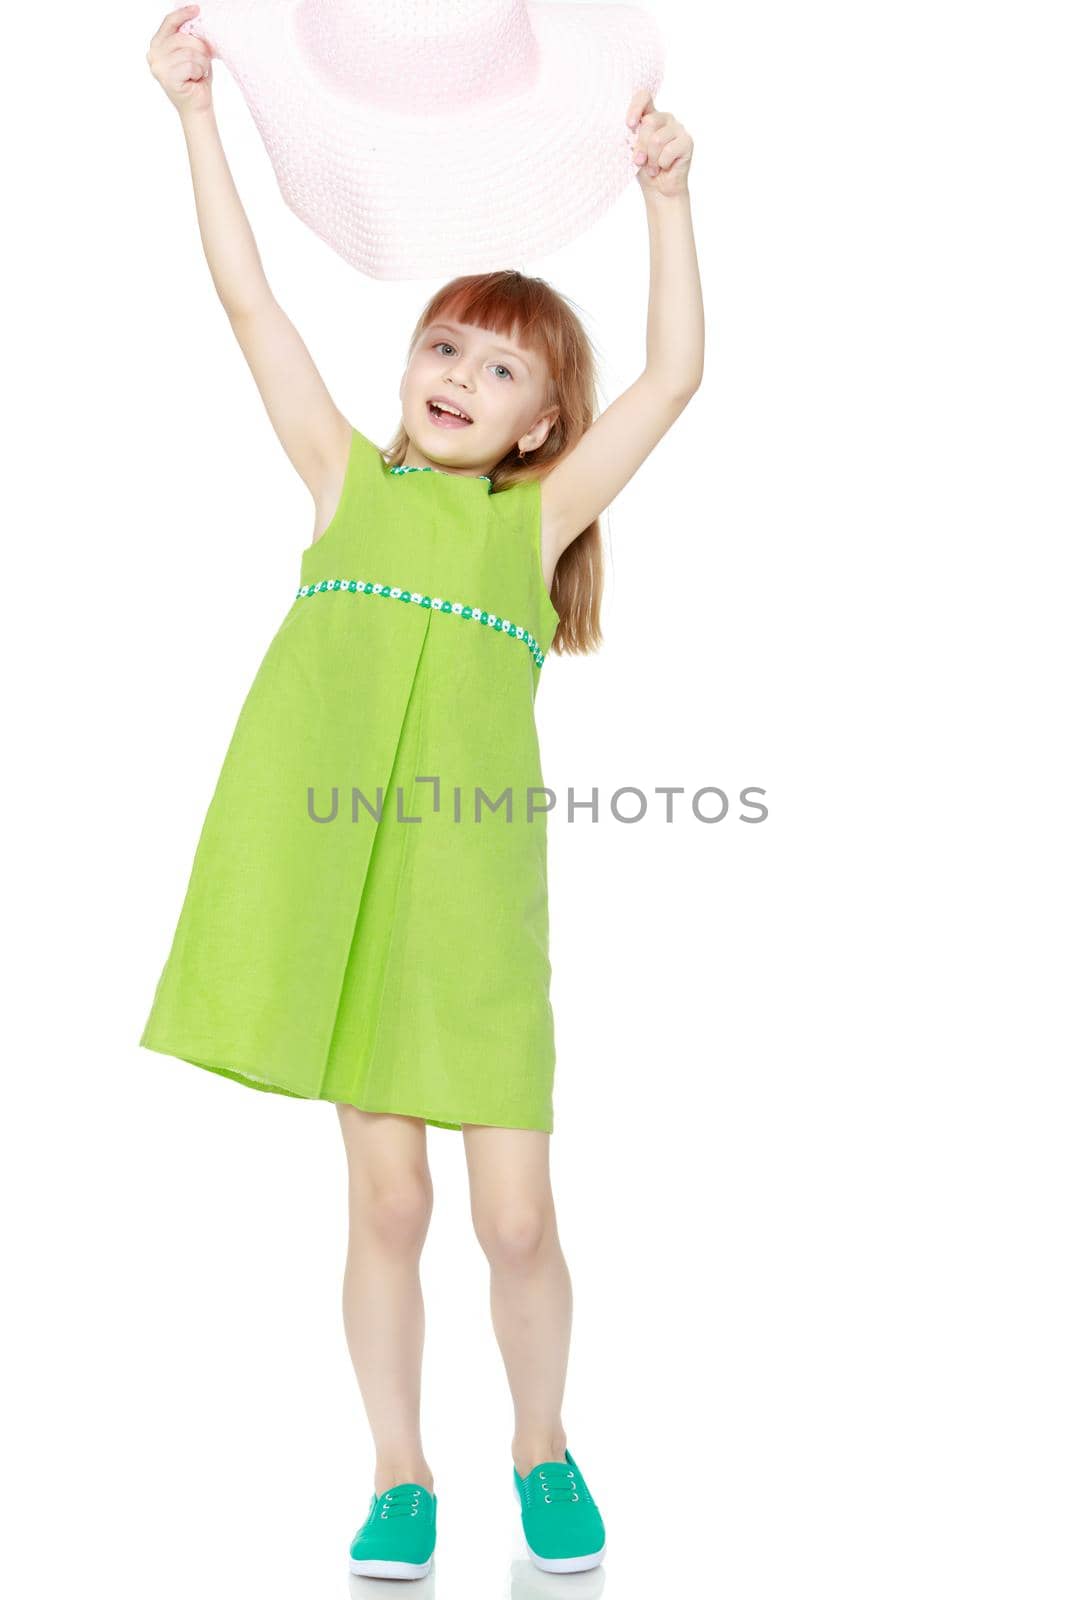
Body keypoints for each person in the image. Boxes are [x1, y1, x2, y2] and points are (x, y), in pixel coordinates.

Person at [141, 4, 703, 1580]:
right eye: (443, 343)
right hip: (345, 901)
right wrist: (196, 114)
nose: (458, 372)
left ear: (541, 423)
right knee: (384, 1207)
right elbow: (247, 299)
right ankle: (399, 1472)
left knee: (514, 1219)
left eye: (500, 362)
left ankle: (545, 1444)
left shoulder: (527, 529)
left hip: (468, 917)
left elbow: (672, 378)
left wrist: (666, 198)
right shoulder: (343, 479)